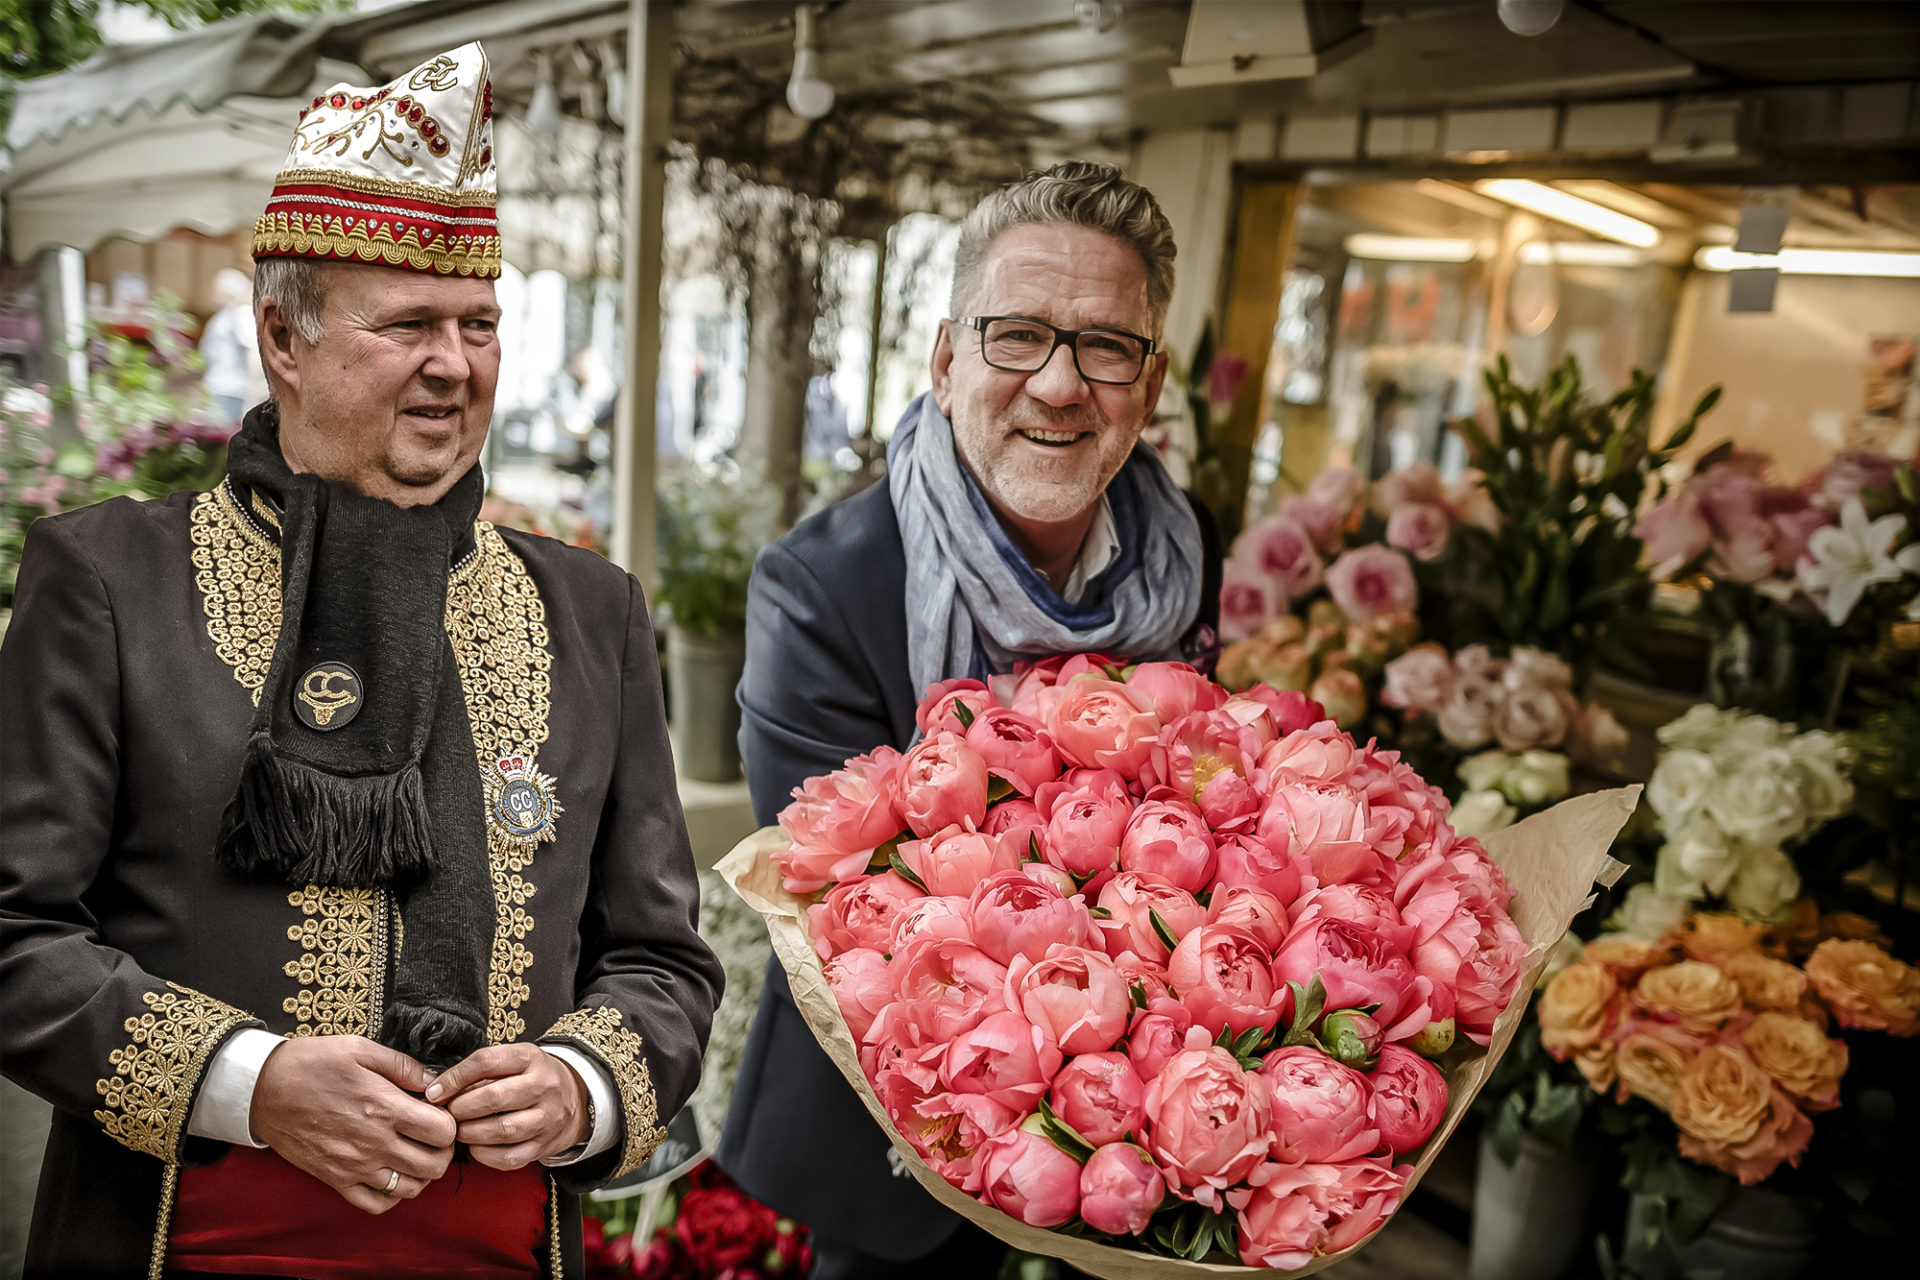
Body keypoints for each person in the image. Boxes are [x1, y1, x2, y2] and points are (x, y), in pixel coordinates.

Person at [0, 43, 723, 1280]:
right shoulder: (112, 580)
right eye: (408, 325)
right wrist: (253, 1079)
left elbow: (661, 957)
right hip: (178, 1246)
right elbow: (15, 936)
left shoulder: (593, 606)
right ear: (282, 337)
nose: (455, 361)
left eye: (480, 323)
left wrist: (584, 1083)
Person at [716, 162, 1221, 1278]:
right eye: (1017, 335)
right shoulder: (822, 583)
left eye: (1105, 345)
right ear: (947, 361)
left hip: (1159, 1130)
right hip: (899, 1124)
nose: (1058, 383)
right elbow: (849, 898)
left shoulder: (1190, 552)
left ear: (1151, 381)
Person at [199, 266, 264, 427]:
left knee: (223, 433)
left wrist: (255, 390)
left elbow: (252, 351)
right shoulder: (225, 314)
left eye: (217, 289)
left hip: (231, 388)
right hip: (219, 385)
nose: (214, 293)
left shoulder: (240, 314)